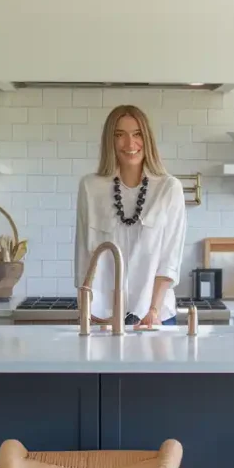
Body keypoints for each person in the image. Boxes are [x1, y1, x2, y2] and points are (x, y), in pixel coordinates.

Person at [74, 104, 186, 328]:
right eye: (119, 135)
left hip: (154, 316)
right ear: (110, 141)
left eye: (137, 134)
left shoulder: (169, 188)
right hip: (102, 315)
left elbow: (170, 258)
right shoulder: (90, 187)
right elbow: (83, 255)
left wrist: (152, 310)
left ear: (147, 139)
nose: (129, 144)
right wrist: (87, 308)